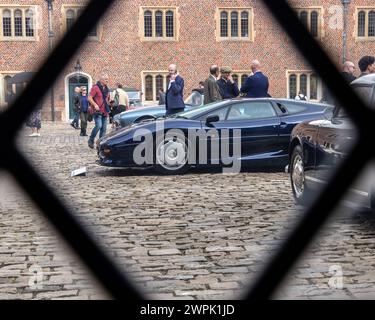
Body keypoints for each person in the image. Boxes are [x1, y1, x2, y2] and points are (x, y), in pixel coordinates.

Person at [88, 73, 110, 149]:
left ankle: (100, 145)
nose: (107, 80)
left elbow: (106, 100)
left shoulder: (107, 89)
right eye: (106, 79)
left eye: (108, 79)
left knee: (103, 129)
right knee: (98, 126)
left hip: (105, 111)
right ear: (101, 80)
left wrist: (110, 103)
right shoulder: (95, 88)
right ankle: (91, 139)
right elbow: (89, 98)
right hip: (97, 111)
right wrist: (95, 105)